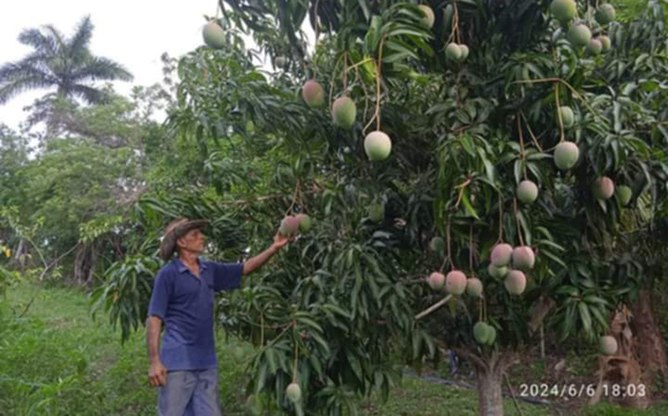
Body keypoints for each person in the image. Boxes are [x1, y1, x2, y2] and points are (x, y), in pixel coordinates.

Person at [146, 217, 290, 416]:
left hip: (206, 363)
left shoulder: (209, 270)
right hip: (177, 363)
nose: (201, 237)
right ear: (181, 242)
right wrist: (155, 361)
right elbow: (154, 318)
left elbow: (245, 268)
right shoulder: (168, 274)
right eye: (195, 235)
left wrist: (274, 247)